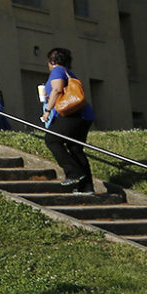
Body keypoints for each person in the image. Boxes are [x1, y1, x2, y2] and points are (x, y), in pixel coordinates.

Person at [41, 47, 98, 193]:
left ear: (52, 60)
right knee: (75, 149)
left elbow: (57, 89)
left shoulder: (57, 70)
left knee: (52, 140)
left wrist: (47, 110)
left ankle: (73, 173)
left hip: (72, 115)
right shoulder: (67, 71)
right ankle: (86, 187)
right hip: (84, 115)